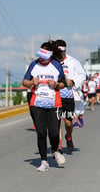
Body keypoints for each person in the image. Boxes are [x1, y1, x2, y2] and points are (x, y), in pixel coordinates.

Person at [22, 41, 66, 172]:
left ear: (50, 55)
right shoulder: (34, 65)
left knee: (53, 133)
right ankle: (43, 161)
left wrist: (56, 85)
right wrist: (31, 82)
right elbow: (24, 82)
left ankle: (55, 150)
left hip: (54, 103)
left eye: (44, 55)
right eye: (40, 55)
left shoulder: (56, 65)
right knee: (41, 132)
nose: (41, 58)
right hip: (36, 103)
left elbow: (64, 83)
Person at [52, 39, 86, 154]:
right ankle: (59, 146)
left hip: (69, 96)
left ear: (65, 50)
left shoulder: (73, 61)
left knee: (68, 123)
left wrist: (73, 81)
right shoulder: (52, 62)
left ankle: (69, 136)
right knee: (57, 122)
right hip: (55, 96)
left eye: (61, 51)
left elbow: (82, 75)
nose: (60, 54)